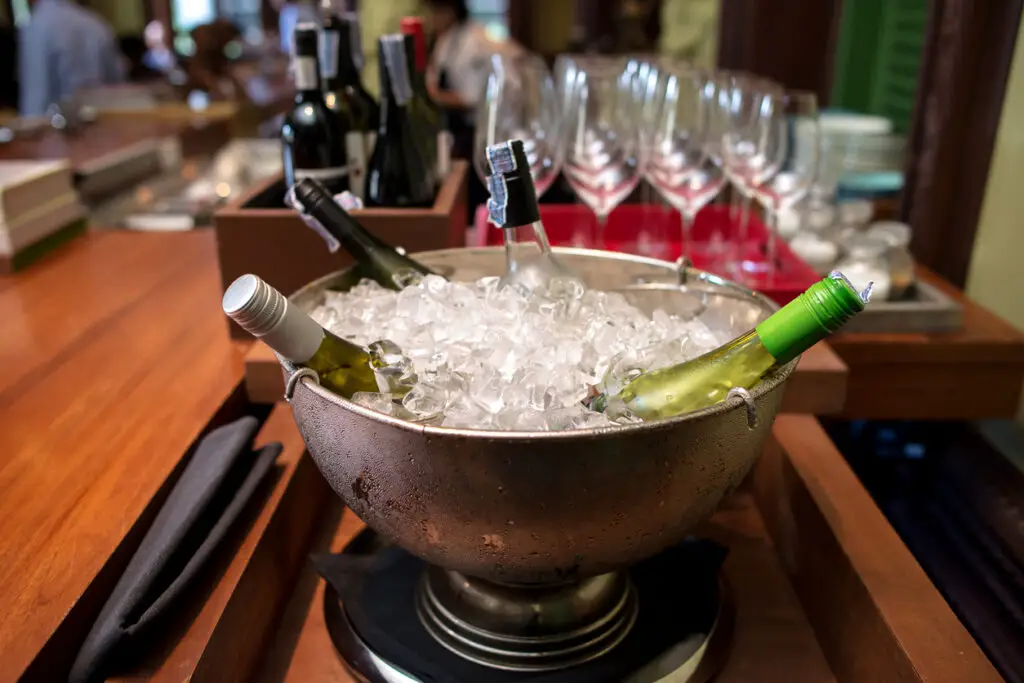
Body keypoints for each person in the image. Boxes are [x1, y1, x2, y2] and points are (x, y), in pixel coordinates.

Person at [18, 0, 124, 117]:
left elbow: (35, 99)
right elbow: (118, 90)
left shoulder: (37, 25)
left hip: (54, 128)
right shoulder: (98, 26)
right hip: (97, 126)